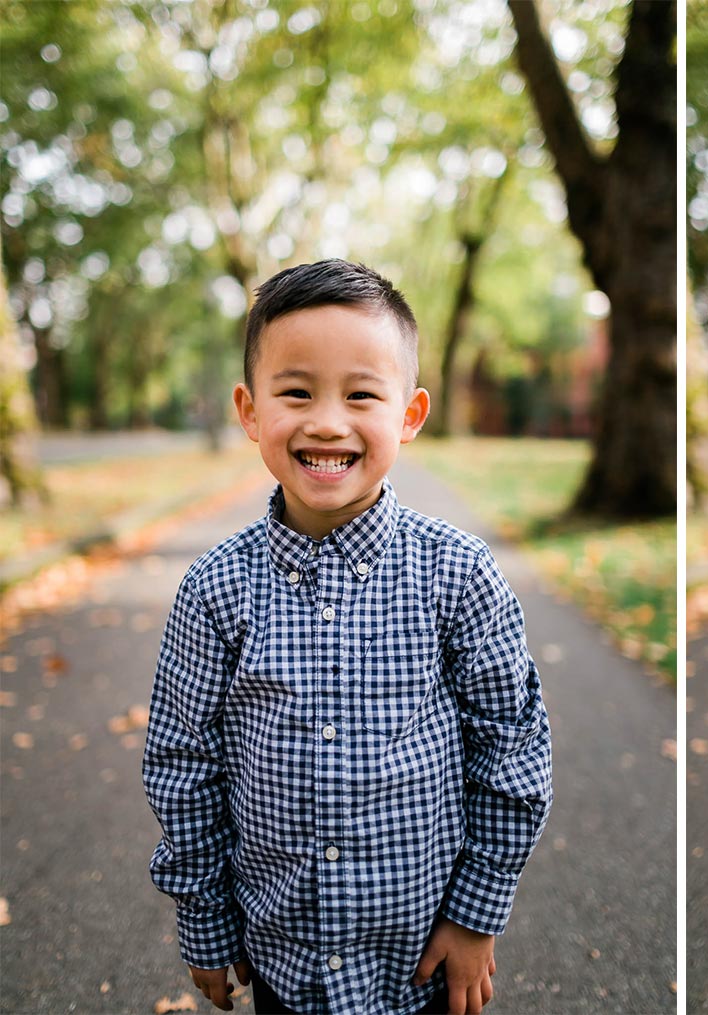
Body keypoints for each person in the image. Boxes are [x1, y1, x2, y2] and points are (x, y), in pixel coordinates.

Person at [143, 260, 553, 1014]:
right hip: (281, 957)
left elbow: (512, 747)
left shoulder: (458, 574)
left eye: (361, 394)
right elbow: (182, 761)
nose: (328, 421)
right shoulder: (214, 591)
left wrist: (476, 915)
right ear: (250, 409)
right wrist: (206, 920)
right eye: (296, 391)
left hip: (422, 957)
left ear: (409, 413)